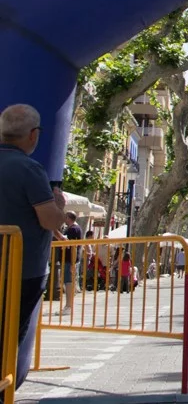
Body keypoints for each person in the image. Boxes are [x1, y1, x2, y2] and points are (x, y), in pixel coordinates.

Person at [0, 104, 66, 390]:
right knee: (8, 336)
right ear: (33, 135)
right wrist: (60, 207)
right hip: (20, 271)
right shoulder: (30, 168)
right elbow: (49, 219)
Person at [61, 211, 82, 313]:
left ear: (69, 218)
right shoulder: (72, 228)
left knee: (68, 282)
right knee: (67, 281)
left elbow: (73, 246)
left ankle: (69, 306)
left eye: (65, 217)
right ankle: (68, 305)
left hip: (69, 259)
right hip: (69, 259)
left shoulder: (73, 229)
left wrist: (73, 263)